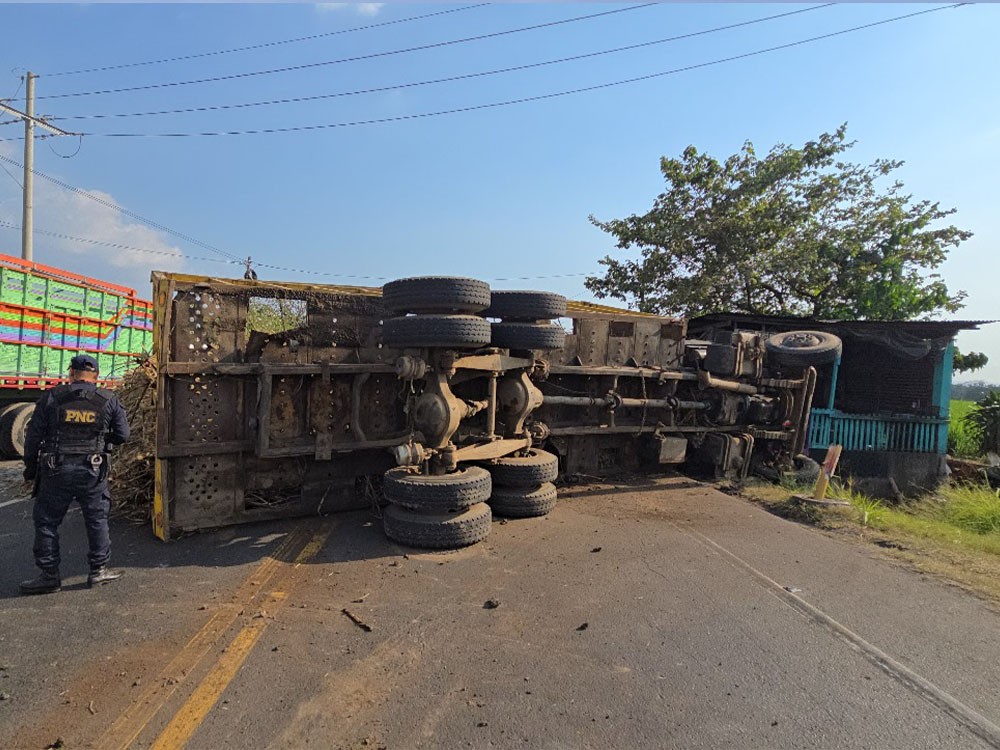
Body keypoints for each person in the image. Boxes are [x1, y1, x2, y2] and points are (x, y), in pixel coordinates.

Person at [19, 354, 130, 595]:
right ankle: (98, 571)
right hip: (92, 469)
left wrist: (30, 470)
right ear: (96, 376)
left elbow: (33, 437)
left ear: (71, 373)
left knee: (47, 521)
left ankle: (49, 575)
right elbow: (123, 435)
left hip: (55, 469)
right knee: (96, 519)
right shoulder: (107, 399)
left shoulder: (52, 397)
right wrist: (100, 441)